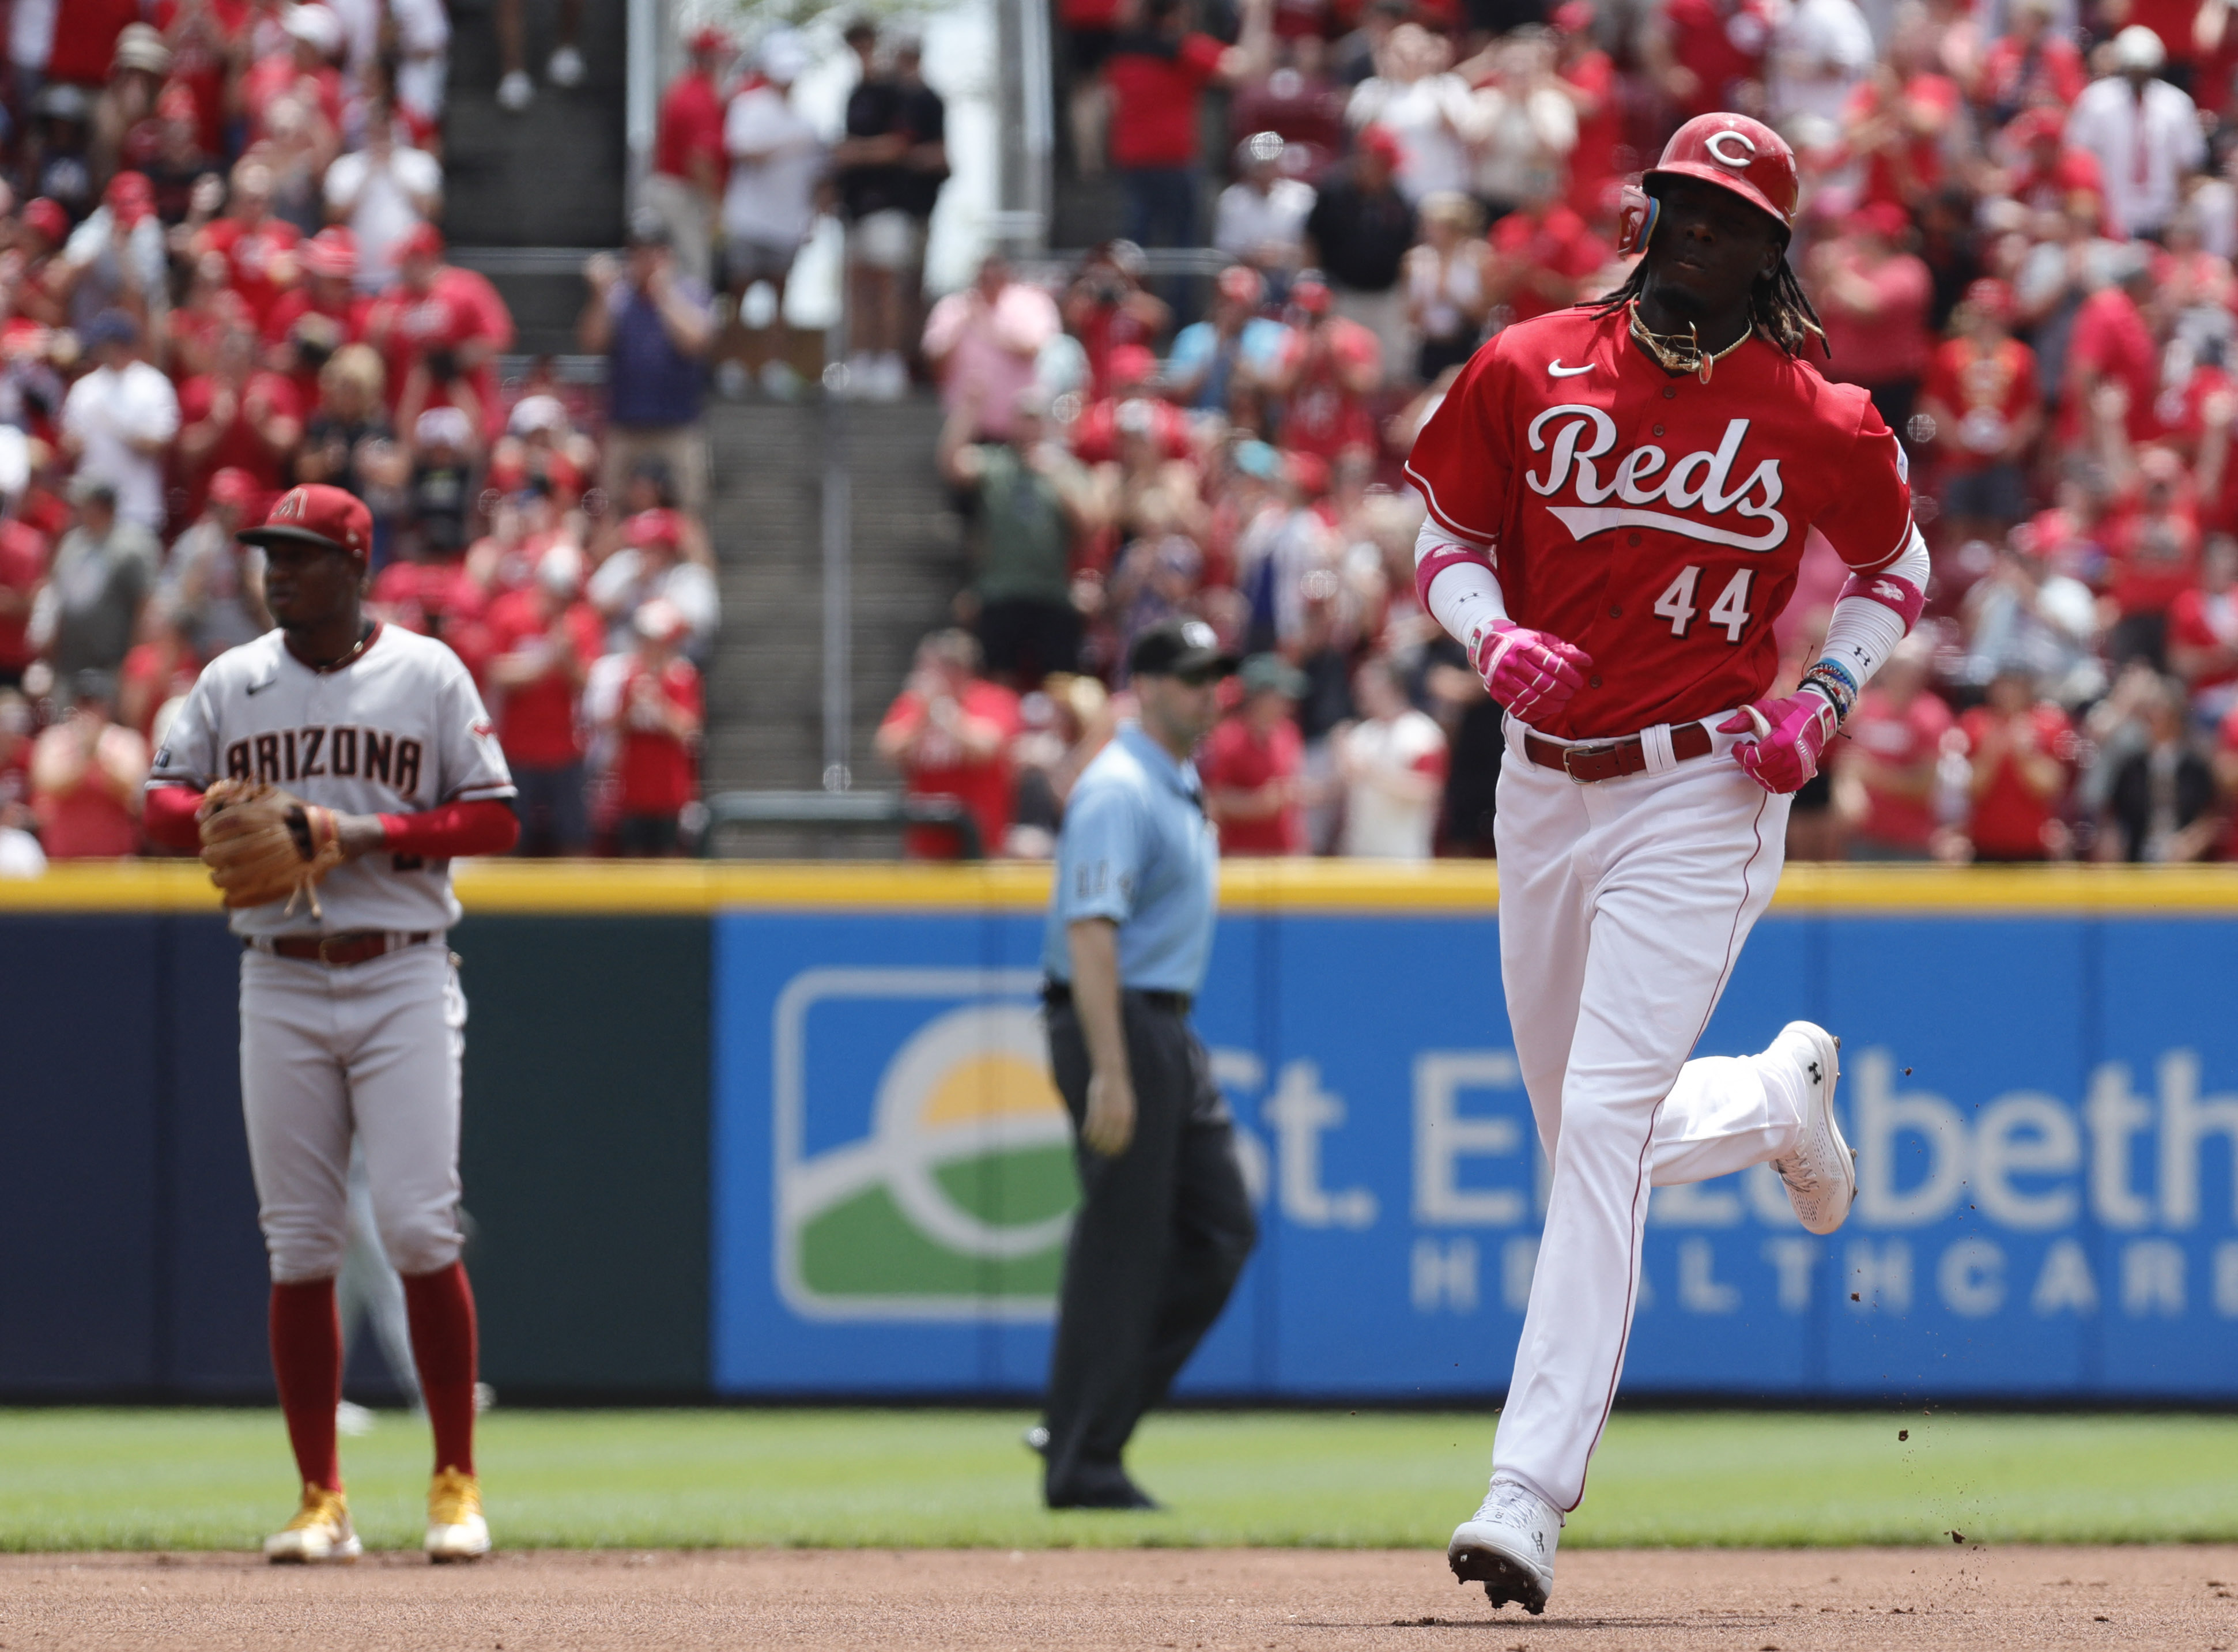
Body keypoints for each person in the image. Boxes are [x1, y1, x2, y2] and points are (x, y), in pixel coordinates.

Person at [1406, 114, 1926, 1613]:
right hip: (1541, 783)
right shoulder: (1529, 363)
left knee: (1600, 1131)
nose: (1693, 240)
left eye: (1725, 221)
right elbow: (1445, 529)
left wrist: (1823, 695)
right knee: (1580, 1126)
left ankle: (1526, 1490)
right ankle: (1771, 1097)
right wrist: (1484, 633)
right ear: (1648, 219)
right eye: (1678, 210)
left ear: (1771, 252)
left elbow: (1895, 568)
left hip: (1699, 787)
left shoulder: (1814, 415)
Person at [142, 483, 520, 1564]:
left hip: (401, 968)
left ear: (355, 565)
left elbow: (495, 814)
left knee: (416, 1225)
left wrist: (362, 834)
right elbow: (161, 807)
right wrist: (220, 812)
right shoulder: (233, 681)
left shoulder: (427, 672)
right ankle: (322, 1500)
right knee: (300, 1243)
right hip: (281, 974)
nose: (278, 572)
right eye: (271, 554)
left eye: (301, 556)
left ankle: (454, 1484)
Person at [1033, 616, 1256, 1508]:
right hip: (1114, 1017)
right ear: (1148, 686)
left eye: (1214, 676)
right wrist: (1111, 1069)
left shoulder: (1173, 778)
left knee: (1219, 1233)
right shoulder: (1120, 786)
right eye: (1191, 675)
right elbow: (1090, 932)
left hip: (1163, 1020)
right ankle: (1081, 1456)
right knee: (1122, 1242)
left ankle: (1086, 1414)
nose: (1209, 690)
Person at [939, 389, 1096, 689]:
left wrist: (1054, 476)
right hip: (1000, 590)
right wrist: (969, 412)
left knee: (1060, 681)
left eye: (1035, 420)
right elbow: (952, 465)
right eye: (1023, 419)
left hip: (1051, 592)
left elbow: (1090, 523)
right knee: (999, 678)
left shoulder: (1063, 468)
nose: (1028, 427)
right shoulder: (996, 463)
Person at [579, 214, 714, 513]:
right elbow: (591, 343)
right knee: (610, 507)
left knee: (687, 511)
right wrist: (600, 295)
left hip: (677, 425)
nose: (644, 260)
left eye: (652, 251)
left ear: (667, 255)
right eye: (637, 252)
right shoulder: (617, 297)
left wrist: (663, 294)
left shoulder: (690, 293)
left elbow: (696, 343)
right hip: (624, 424)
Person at [874, 628, 1021, 859]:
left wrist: (947, 715)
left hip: (982, 845)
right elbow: (887, 751)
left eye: (930, 666)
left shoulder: (993, 699)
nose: (922, 674)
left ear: (957, 669)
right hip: (926, 848)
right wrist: (923, 713)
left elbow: (986, 749)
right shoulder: (914, 705)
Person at [720, 30, 821, 331]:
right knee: (739, 289)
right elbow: (742, 151)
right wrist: (789, 146)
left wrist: (811, 217)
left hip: (787, 222)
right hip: (748, 219)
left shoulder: (806, 120)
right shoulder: (749, 106)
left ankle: (773, 364)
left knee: (781, 295)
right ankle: (735, 361)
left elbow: (818, 176)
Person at [2065, 27, 2203, 243]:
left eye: (2145, 70)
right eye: (2133, 70)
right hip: (2109, 214)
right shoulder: (2096, 101)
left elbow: (2187, 164)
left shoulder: (2176, 104)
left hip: (2162, 217)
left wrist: (2177, 213)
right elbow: (2079, 158)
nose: (2138, 78)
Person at [58, 309, 179, 534]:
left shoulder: (152, 384)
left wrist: (120, 429)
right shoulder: (85, 388)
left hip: (137, 507)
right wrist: (74, 444)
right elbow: (70, 444)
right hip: (93, 508)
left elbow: (160, 444)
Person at [602, 597, 704, 855]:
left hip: (670, 791)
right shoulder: (631, 676)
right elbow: (615, 726)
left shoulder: (681, 676)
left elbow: (687, 730)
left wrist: (658, 704)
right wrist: (631, 709)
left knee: (670, 859)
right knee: (634, 860)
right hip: (634, 789)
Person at [40, 474, 160, 685]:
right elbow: (58, 598)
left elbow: (145, 606)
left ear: (102, 505)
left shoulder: (132, 547)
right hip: (69, 662)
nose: (77, 509)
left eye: (85, 503)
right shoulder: (72, 543)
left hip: (112, 665)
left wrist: (133, 665)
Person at [641, 27, 731, 289]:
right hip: (681, 195)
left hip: (674, 191)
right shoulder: (698, 97)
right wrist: (716, 207)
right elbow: (699, 160)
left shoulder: (687, 89)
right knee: (693, 273)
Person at [1335, 654, 1447, 858]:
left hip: (1403, 859)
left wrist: (1372, 773)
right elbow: (1342, 795)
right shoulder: (1360, 735)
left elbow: (1427, 791)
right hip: (1358, 856)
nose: (1360, 691)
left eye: (1367, 683)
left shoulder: (1422, 734)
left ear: (1391, 686)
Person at [29, 668, 146, 857]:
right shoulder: (54, 740)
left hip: (115, 859)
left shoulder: (126, 740)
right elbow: (48, 784)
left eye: (95, 703)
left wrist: (100, 754)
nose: (89, 711)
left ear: (107, 705)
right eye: (84, 703)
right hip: (64, 859)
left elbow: (134, 790)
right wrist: (83, 756)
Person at [1201, 650, 1307, 853]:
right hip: (1242, 861)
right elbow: (1212, 799)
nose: (1287, 705)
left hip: (1284, 856)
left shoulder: (1289, 733)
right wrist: (1257, 804)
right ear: (1258, 697)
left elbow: (1291, 794)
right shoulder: (1226, 739)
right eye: (1280, 697)